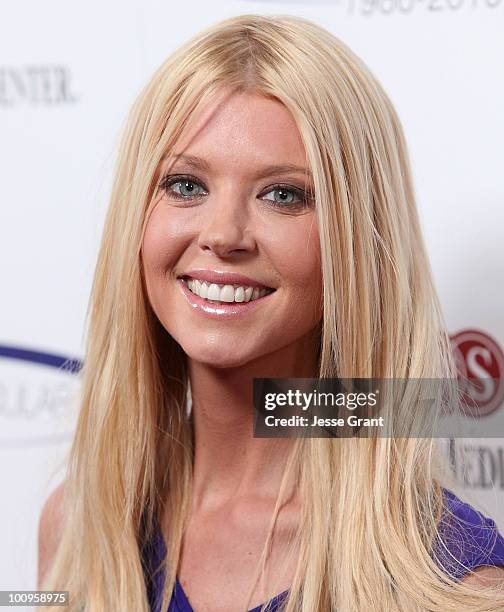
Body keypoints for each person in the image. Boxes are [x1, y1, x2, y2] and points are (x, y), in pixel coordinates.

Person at [37, 13, 504, 611]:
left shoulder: (451, 586)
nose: (223, 234)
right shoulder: (76, 530)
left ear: (358, 244)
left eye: (283, 194)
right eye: (184, 184)